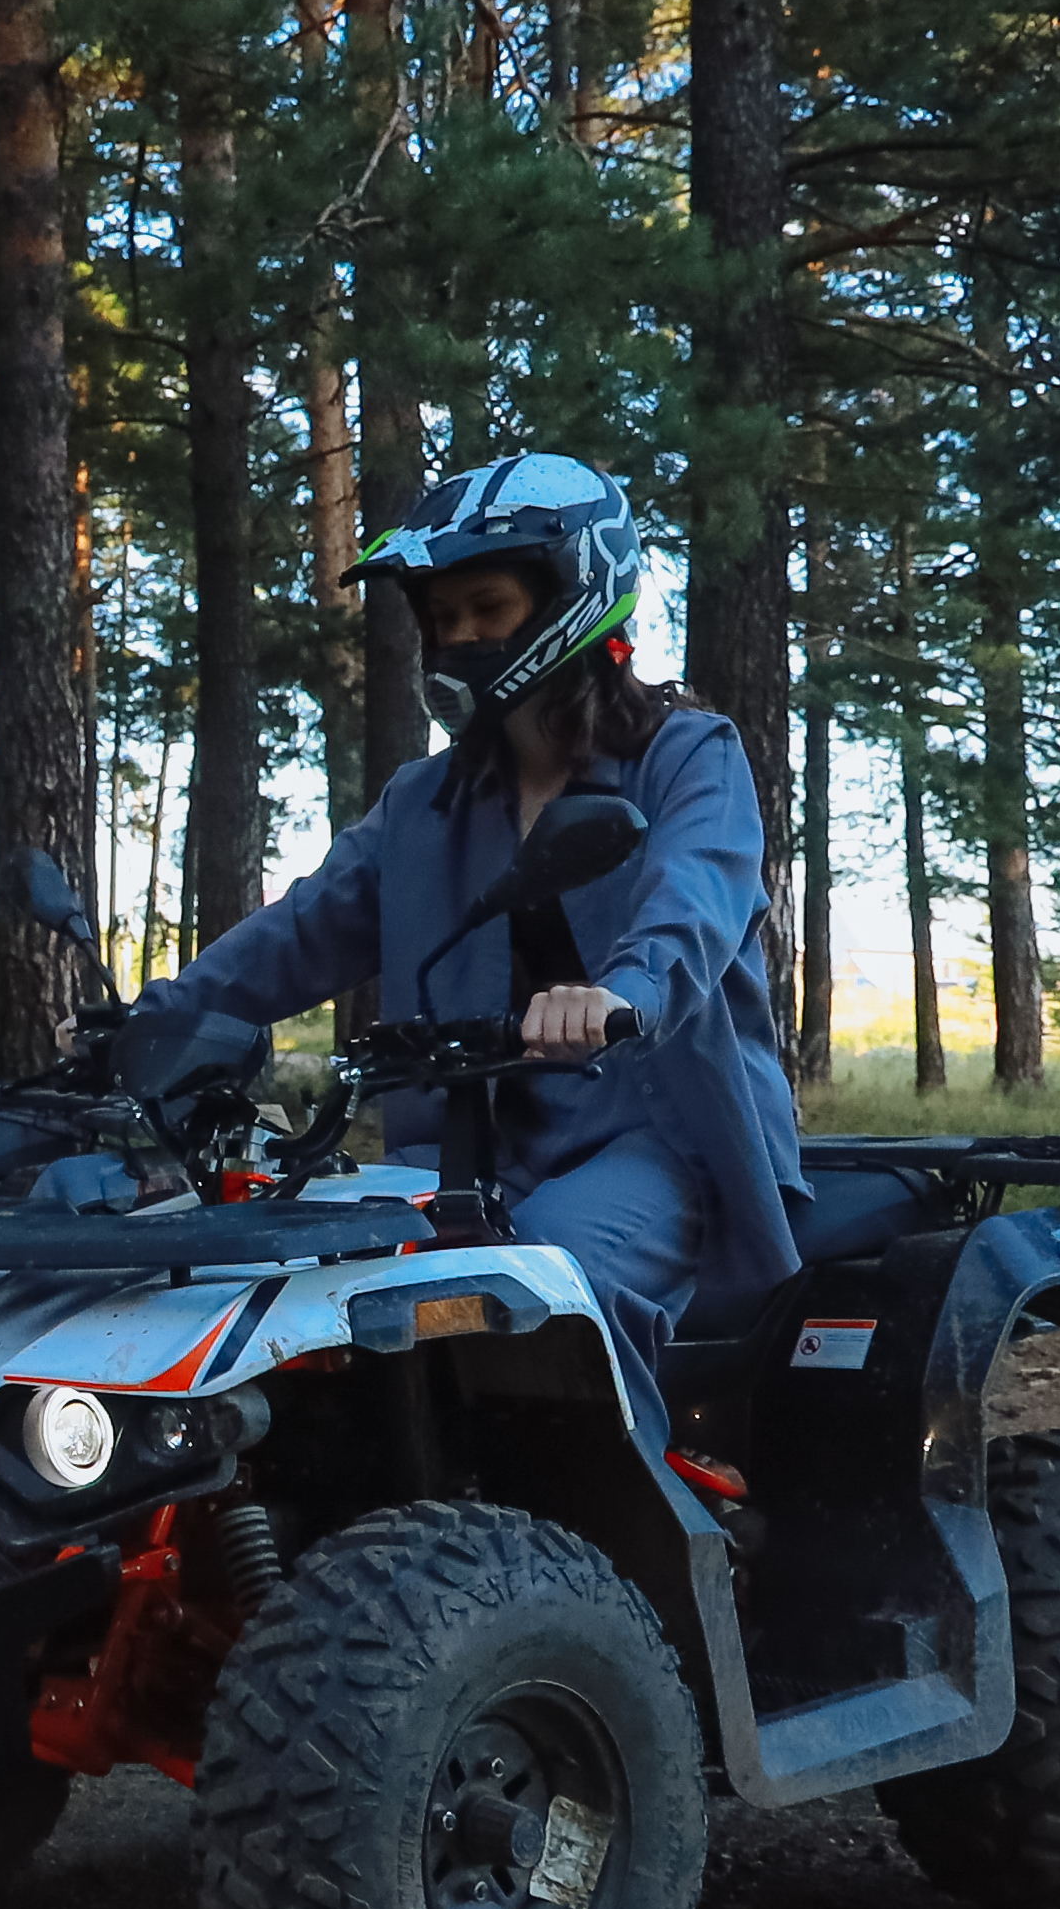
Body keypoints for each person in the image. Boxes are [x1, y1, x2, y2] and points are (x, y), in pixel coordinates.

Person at [127, 452, 806, 1450]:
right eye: (442, 617)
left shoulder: (687, 757)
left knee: (556, 1272)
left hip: (658, 1136)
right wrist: (158, 1017)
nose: (459, 638)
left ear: (574, 595)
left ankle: (614, 1525)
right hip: (463, 1145)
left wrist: (623, 990)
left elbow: (695, 899)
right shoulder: (426, 802)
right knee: (314, 1280)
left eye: (487, 608)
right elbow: (304, 928)